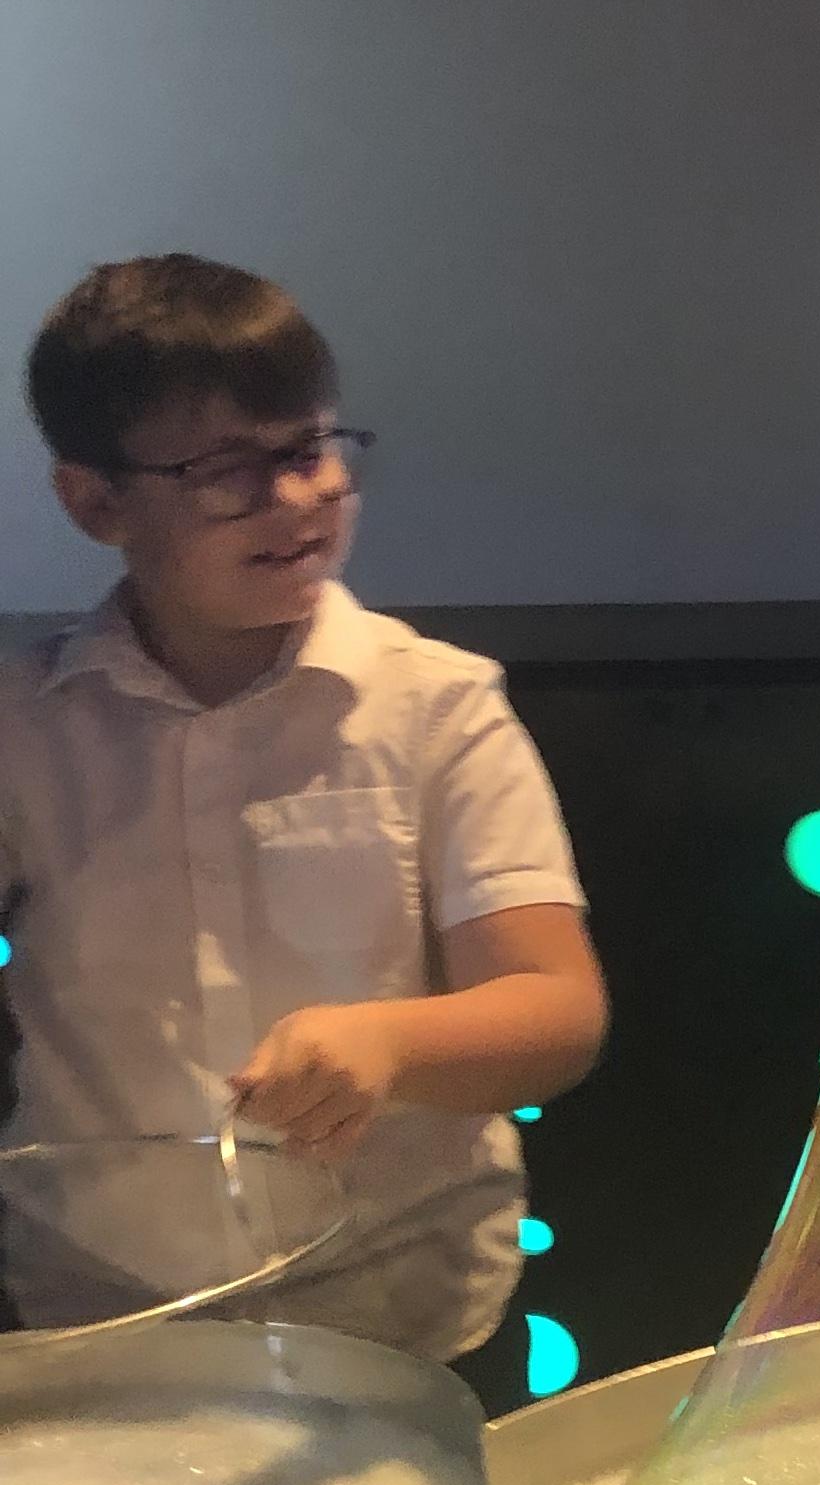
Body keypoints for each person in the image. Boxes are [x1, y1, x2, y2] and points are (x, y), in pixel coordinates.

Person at [0, 256, 606, 1384]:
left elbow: (558, 1010)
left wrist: (388, 1042)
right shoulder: (26, 729)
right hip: (100, 1314)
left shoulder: (435, 706)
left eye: (310, 450)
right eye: (226, 470)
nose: (294, 498)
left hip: (402, 1309)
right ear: (95, 502)